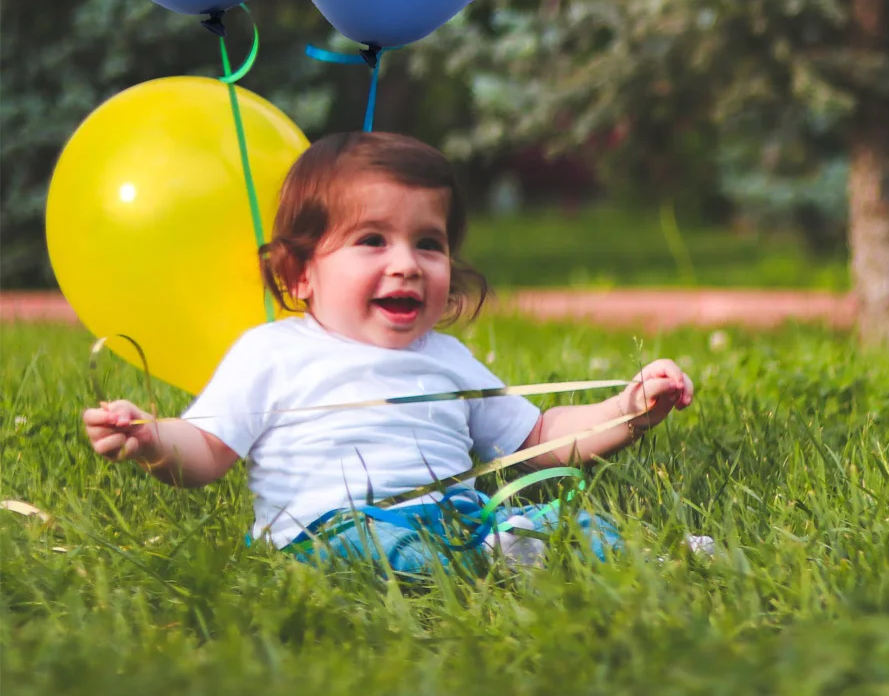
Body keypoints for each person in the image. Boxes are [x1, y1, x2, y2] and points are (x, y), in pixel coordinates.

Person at [82, 132, 696, 574]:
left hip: (458, 516)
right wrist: (152, 440)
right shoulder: (272, 353)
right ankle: (487, 567)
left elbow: (538, 435)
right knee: (380, 549)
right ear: (299, 274)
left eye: (428, 243)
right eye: (372, 240)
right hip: (329, 529)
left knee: (566, 520)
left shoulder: (446, 356)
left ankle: (654, 561)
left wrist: (628, 409)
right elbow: (208, 451)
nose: (406, 264)